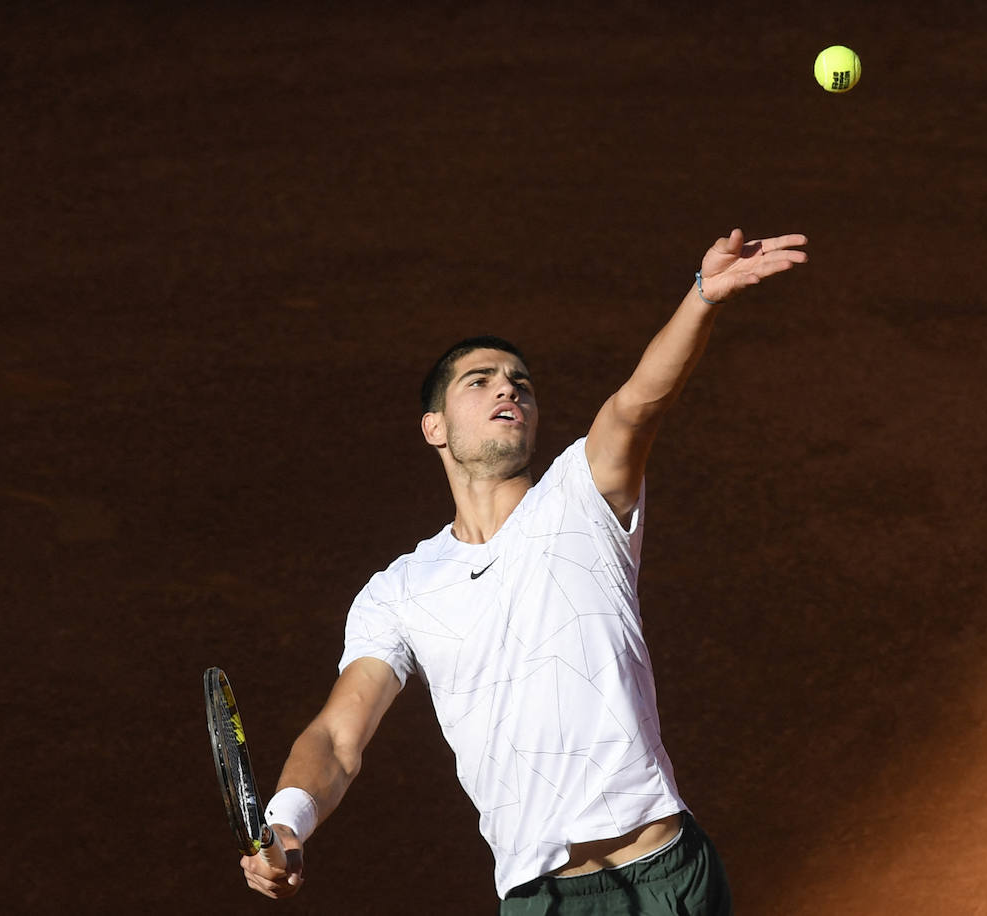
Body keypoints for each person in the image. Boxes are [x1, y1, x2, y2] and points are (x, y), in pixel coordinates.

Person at [241, 229, 808, 913]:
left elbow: (636, 404)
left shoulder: (581, 496)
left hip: (665, 875)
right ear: (436, 428)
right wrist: (286, 822)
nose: (508, 390)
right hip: (539, 900)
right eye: (479, 382)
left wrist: (701, 297)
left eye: (521, 384)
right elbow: (338, 734)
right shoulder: (399, 592)